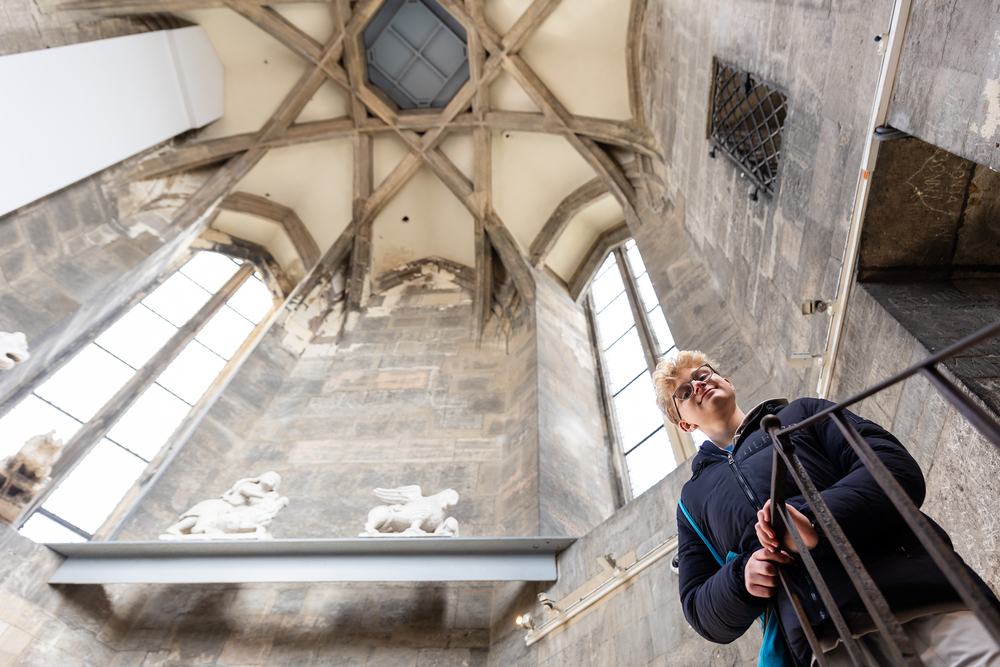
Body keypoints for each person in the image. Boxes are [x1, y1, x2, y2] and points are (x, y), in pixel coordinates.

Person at [652, 350, 1000, 666]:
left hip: (918, 594)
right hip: (825, 647)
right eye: (684, 391)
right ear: (686, 424)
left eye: (703, 374)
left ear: (726, 380)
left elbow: (893, 467)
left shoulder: (800, 412)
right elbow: (699, 609)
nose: (698, 385)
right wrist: (742, 578)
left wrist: (815, 521)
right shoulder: (692, 502)